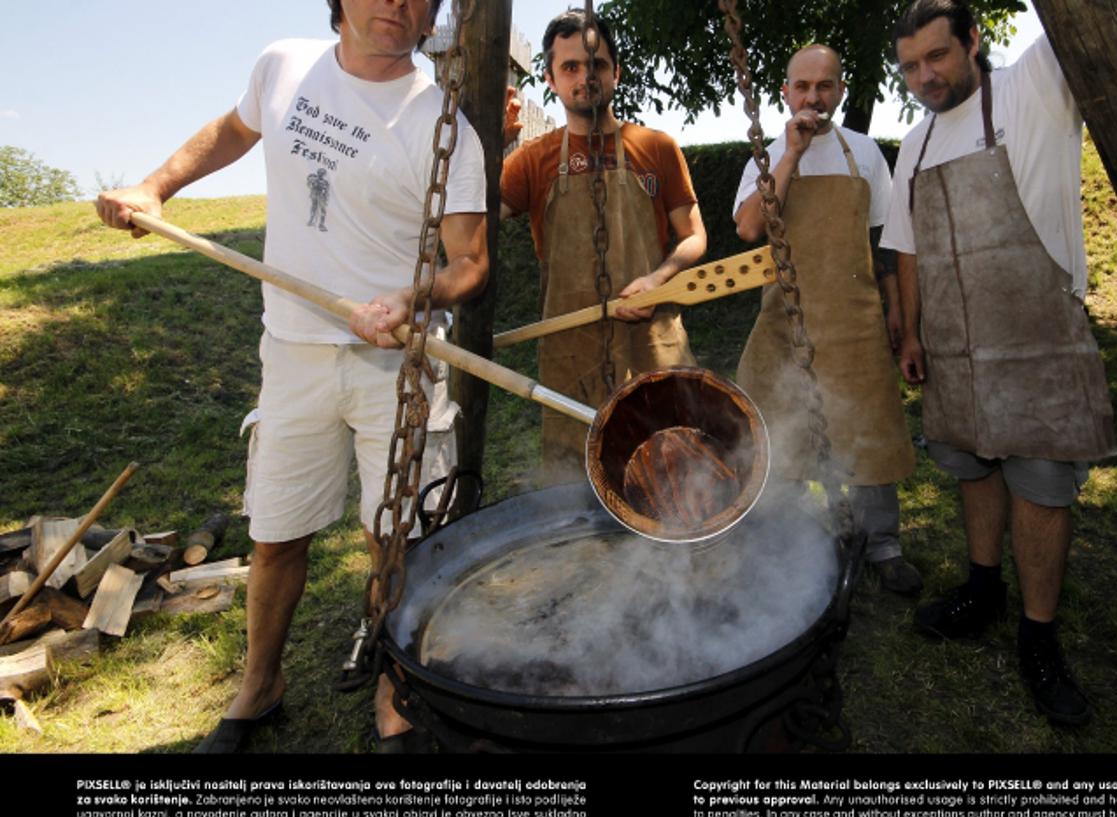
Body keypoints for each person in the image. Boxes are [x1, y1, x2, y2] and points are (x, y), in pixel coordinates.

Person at [96, 0, 489, 752]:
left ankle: (394, 690)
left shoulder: (445, 125)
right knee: (276, 535)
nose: (401, 7)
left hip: (396, 364)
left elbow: (469, 261)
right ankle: (261, 683)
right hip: (294, 353)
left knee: (395, 540)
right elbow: (233, 131)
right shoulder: (283, 66)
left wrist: (412, 297)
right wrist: (156, 186)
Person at [882, 0, 1117, 725]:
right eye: (911, 66)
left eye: (938, 57)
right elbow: (909, 246)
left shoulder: (1033, 88)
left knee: (1042, 484)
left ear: (974, 41)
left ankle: (1039, 635)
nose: (926, 76)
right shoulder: (914, 146)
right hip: (953, 348)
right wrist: (912, 333)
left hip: (1038, 339)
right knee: (970, 466)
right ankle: (984, 587)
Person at [733, 45, 920, 595]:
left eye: (825, 86)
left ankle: (882, 546)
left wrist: (897, 315)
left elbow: (884, 242)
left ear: (839, 91)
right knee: (780, 439)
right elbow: (748, 229)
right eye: (802, 86)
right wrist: (788, 156)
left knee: (870, 437)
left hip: (855, 323)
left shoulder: (863, 154)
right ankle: (790, 543)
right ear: (785, 93)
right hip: (783, 328)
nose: (813, 97)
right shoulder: (765, 157)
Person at [499, 9, 706, 483]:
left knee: (672, 461)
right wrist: (494, 145)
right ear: (550, 79)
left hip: (653, 339)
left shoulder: (655, 147)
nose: (585, 77)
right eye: (570, 67)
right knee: (577, 476)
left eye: (597, 64)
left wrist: (656, 279)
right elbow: (476, 224)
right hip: (570, 348)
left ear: (616, 70)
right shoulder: (532, 161)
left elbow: (694, 236)